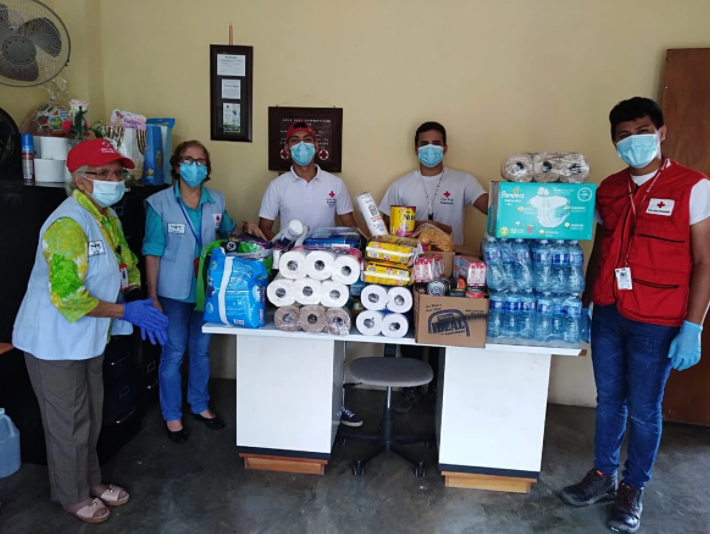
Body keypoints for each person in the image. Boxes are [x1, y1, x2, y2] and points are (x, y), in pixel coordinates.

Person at [560, 97, 710, 533]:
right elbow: (601, 249)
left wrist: (694, 326)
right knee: (609, 401)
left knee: (644, 409)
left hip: (659, 319)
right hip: (609, 311)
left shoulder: (693, 187)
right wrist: (585, 302)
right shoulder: (608, 189)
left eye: (642, 132)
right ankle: (603, 474)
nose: (633, 142)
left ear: (661, 133)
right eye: (623, 136)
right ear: (614, 142)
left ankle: (633, 487)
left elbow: (705, 261)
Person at [12, 139, 169, 524]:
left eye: (118, 173)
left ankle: (90, 480)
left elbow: (126, 261)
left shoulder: (106, 216)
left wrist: (139, 296)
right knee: (67, 424)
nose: (115, 180)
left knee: (91, 416)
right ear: (80, 179)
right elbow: (68, 298)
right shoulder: (67, 224)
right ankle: (71, 495)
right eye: (104, 174)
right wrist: (126, 311)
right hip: (53, 343)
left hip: (91, 337)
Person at [143, 140, 264, 443]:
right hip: (172, 292)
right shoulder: (159, 203)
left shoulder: (216, 201)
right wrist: (152, 296)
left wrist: (246, 226)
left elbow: (229, 234)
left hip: (208, 291)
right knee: (173, 353)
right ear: (177, 165)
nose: (194, 166)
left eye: (200, 161)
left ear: (207, 167)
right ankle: (172, 415)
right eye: (188, 160)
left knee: (200, 351)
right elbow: (152, 252)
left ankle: (199, 405)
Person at [379, 121, 489, 413]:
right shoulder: (401, 185)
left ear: (446, 147)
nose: (430, 149)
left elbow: (490, 208)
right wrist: (421, 225)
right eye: (424, 143)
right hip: (410, 267)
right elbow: (382, 224)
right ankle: (411, 389)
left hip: (450, 270)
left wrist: (518, 200)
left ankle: (441, 390)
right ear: (416, 148)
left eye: (436, 143)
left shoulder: (463, 181)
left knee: (446, 328)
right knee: (412, 329)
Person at [258, 121, 362, 427]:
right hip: (291, 272)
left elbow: (350, 226)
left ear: (316, 146)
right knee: (292, 330)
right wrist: (286, 248)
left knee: (332, 333)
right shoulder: (278, 186)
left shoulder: (335, 184)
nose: (301, 146)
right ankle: (293, 404)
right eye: (295, 141)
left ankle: (336, 404)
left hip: (330, 274)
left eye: (307, 140)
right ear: (287, 148)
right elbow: (265, 228)